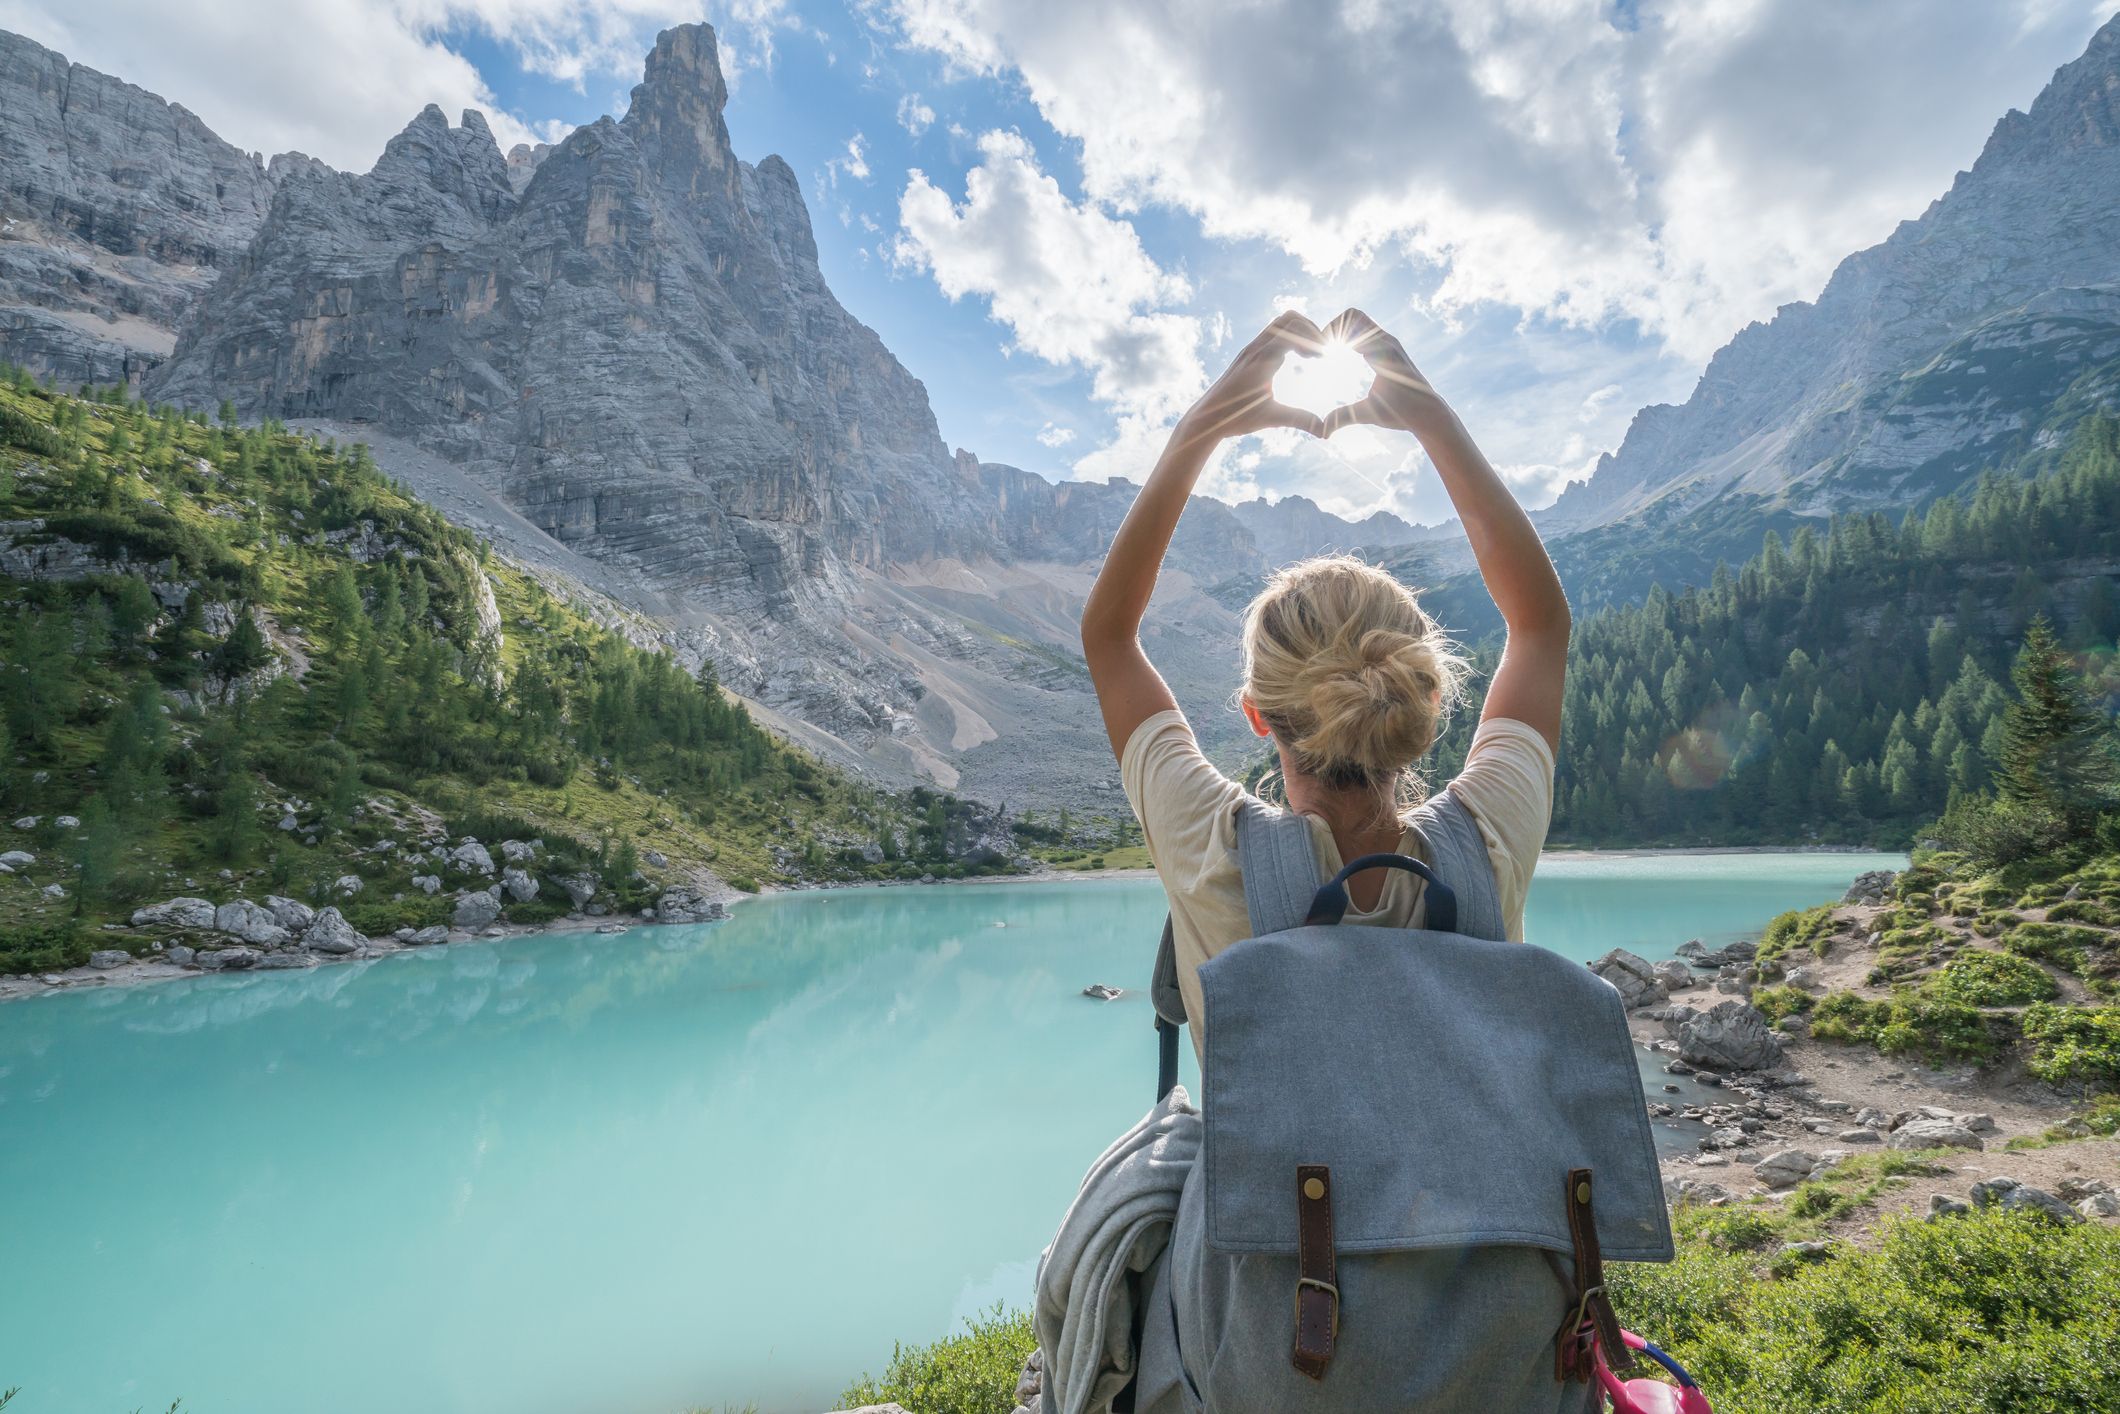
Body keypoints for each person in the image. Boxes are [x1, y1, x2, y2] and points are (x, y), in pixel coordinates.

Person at [1080, 308, 1569, 1055]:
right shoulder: (1491, 837)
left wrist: (1201, 429)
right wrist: (1433, 420)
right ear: (1429, 702)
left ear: (1256, 715)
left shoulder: (1213, 852)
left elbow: (1108, 637)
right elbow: (1539, 624)